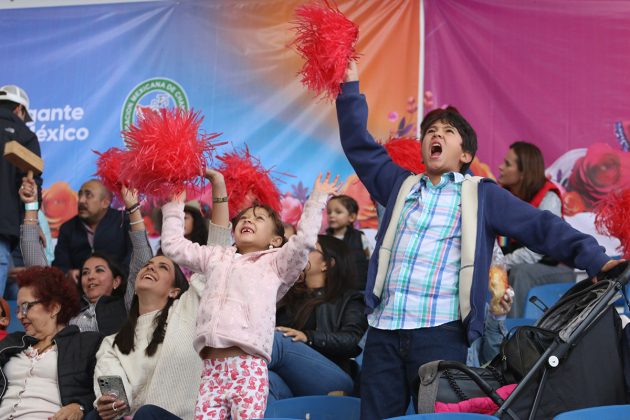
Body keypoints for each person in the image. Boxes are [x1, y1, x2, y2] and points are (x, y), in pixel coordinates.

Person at [335, 61, 624, 419]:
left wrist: (593, 257)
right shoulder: (399, 185)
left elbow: (541, 226)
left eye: (447, 131)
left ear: (466, 154)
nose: (435, 135)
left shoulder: (483, 195)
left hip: (439, 334)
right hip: (384, 330)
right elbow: (360, 147)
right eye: (430, 131)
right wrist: (349, 88)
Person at [160, 172, 341, 419]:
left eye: (258, 218)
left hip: (247, 367)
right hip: (210, 369)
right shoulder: (216, 256)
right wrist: (174, 205)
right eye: (244, 217)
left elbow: (303, 242)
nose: (248, 220)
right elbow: (172, 246)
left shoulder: (277, 264)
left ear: (276, 240)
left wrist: (317, 198)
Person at [90, 169, 233, 420]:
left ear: (175, 290)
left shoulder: (189, 308)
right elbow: (115, 398)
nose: (150, 267)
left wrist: (218, 186)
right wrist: (109, 404)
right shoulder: (112, 342)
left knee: (148, 414)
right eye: (147, 265)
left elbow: (218, 250)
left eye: (162, 267)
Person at [20, 177, 152, 335]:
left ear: (116, 281)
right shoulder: (62, 312)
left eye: (99, 270)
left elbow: (142, 258)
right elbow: (37, 272)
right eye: (85, 272)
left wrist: (133, 209)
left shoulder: (127, 304)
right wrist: (31, 206)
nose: (91, 276)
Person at [269, 234, 368, 402]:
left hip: (334, 377)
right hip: (293, 376)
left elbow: (353, 341)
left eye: (310, 249)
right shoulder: (288, 296)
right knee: (263, 380)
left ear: (327, 264)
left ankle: (227, 368)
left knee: (277, 340)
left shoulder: (349, 299)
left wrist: (309, 337)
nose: (302, 253)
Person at [0, 266, 102, 419]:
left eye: (26, 307)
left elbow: (110, 393)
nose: (20, 315)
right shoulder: (12, 342)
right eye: (18, 309)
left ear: (54, 308)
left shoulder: (86, 344)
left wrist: (81, 406)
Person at [497, 141, 577, 317]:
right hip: (522, 261)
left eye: (507, 164)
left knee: (519, 272)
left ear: (523, 173)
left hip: (557, 268)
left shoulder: (549, 199)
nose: (500, 167)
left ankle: (512, 335)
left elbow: (537, 252)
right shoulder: (504, 196)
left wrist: (500, 263)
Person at [0, 85, 41, 298]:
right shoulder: (25, 135)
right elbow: (33, 182)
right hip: (4, 233)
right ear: (19, 110)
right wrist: (35, 218)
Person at [53, 179, 132, 283]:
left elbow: (133, 258)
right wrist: (68, 273)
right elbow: (59, 266)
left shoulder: (123, 221)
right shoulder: (68, 228)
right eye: (80, 195)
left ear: (105, 203)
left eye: (88, 195)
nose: (81, 200)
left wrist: (116, 279)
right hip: (80, 291)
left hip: (118, 289)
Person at [326, 194, 371, 289]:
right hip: (335, 290)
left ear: (351, 217)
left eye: (338, 212)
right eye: (329, 212)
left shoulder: (360, 237)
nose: (332, 215)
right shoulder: (325, 240)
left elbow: (370, 259)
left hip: (359, 289)